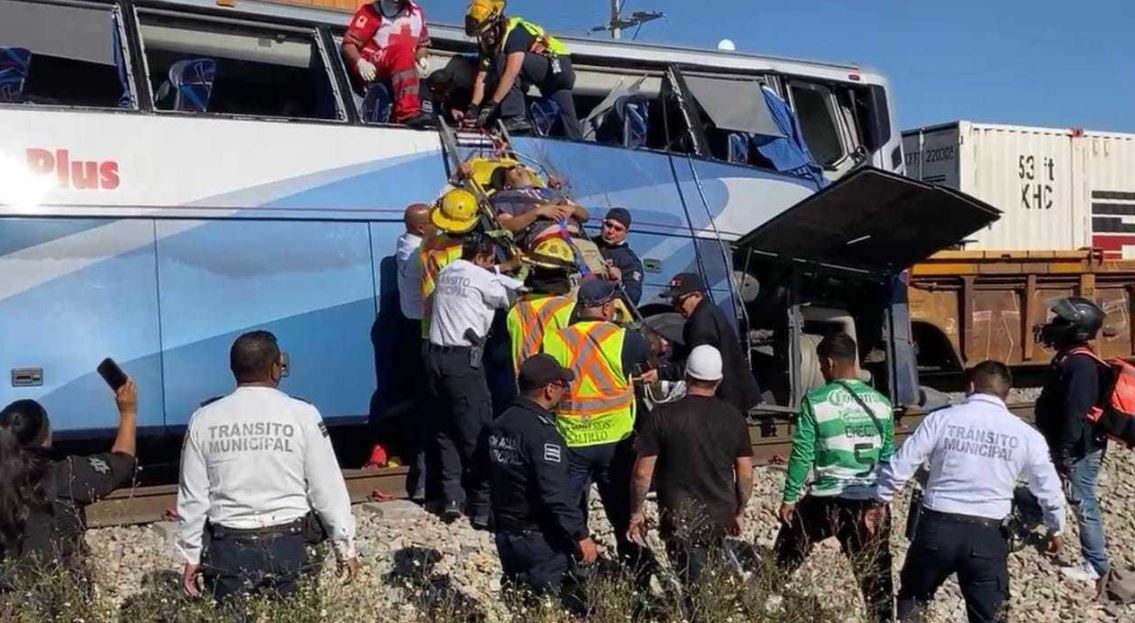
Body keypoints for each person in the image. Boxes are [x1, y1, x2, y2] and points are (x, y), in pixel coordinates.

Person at [866, 360, 1066, 623]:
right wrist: (1056, 528)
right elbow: (1049, 489)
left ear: (971, 386)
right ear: (1006, 394)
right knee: (989, 615)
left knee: (913, 598)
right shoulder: (1026, 435)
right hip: (987, 535)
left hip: (936, 529)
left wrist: (879, 500)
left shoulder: (941, 419)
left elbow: (902, 463)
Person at [176, 331, 359, 603]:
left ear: (233, 369)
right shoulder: (302, 414)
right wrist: (344, 547)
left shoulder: (204, 418)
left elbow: (193, 497)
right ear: (276, 369)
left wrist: (190, 555)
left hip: (228, 547)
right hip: (290, 544)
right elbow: (327, 488)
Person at [542, 279, 659, 581]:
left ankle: (576, 571)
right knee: (623, 512)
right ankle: (641, 574)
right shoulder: (625, 339)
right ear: (608, 307)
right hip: (615, 444)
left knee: (570, 513)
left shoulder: (555, 339)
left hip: (572, 440)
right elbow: (649, 356)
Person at [775, 332, 895, 623]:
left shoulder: (816, 401)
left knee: (786, 552)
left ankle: (765, 593)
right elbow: (889, 457)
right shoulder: (881, 403)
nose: (820, 370)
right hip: (869, 501)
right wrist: (882, 501)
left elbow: (803, 453)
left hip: (827, 500)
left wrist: (789, 497)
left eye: (820, 364)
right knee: (875, 576)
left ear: (829, 363)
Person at [627, 345, 753, 597]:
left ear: (686, 376)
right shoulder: (733, 417)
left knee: (696, 589)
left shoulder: (662, 416)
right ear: (719, 380)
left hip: (679, 517)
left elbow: (642, 473)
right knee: (709, 581)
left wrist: (636, 513)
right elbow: (746, 473)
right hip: (721, 515)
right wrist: (739, 510)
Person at [427, 232, 523, 528]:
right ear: (482, 258)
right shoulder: (483, 279)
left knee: (445, 429)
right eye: (490, 260)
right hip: (463, 362)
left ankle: (452, 498)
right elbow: (511, 299)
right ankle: (483, 506)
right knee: (476, 430)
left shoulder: (447, 271)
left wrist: (499, 269)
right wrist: (513, 277)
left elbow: (478, 277)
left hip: (433, 359)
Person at [0, 382, 138, 587]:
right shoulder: (65, 475)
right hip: (58, 592)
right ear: (45, 438)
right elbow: (122, 463)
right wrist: (128, 413)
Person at [488, 354, 599, 598]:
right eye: (563, 386)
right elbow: (555, 492)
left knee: (522, 601)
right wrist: (580, 535)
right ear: (550, 389)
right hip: (539, 539)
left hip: (506, 535)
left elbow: (484, 477)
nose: (565, 392)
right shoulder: (542, 434)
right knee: (554, 602)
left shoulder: (500, 423)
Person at [1033, 296, 1111, 589]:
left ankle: (1096, 564)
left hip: (1080, 448)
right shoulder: (1070, 357)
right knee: (1050, 487)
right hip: (1069, 444)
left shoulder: (1081, 365)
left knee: (1083, 501)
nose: (1053, 326)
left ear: (1077, 329)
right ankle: (1044, 522)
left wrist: (1065, 451)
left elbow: (1076, 412)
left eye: (1061, 322)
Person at [372, 203, 435, 498]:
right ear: (421, 228)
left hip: (409, 329)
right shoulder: (418, 255)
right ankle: (423, 475)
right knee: (422, 400)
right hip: (418, 332)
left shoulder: (406, 242)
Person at [464, 0, 581, 137]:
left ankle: (515, 117)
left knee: (503, 61)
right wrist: (473, 107)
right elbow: (481, 78)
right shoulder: (487, 45)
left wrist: (492, 104)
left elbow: (511, 73)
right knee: (567, 118)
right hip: (553, 79)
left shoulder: (514, 32)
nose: (485, 37)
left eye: (487, 32)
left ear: (496, 22)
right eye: (481, 35)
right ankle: (579, 145)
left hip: (557, 65)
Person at [662, 272, 761, 415]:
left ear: (697, 295)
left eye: (680, 301)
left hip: (725, 399)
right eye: (673, 302)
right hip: (729, 397)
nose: (676, 307)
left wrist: (660, 373)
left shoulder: (703, 321)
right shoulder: (707, 313)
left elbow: (699, 365)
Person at [342, 0, 432, 126]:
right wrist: (360, 62)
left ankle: (402, 114)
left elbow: (422, 45)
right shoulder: (371, 11)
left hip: (402, 71)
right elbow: (349, 44)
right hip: (374, 66)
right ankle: (407, 112)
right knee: (402, 51)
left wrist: (422, 58)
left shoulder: (417, 12)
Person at [506, 237, 577, 374]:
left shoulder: (516, 307)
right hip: (553, 387)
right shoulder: (568, 309)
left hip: (520, 385)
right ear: (565, 274)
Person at [421, 188, 481, 341]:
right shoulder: (468, 255)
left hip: (430, 328)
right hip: (457, 332)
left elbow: (433, 211)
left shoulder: (427, 243)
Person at [490, 164, 589, 252]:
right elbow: (505, 225)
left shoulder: (549, 192)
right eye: (512, 168)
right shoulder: (505, 196)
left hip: (579, 241)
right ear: (507, 185)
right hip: (548, 243)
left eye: (521, 165)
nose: (519, 167)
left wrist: (573, 209)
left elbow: (585, 216)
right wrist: (538, 212)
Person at [593, 207, 644, 305]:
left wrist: (620, 282)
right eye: (609, 225)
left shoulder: (631, 261)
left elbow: (634, 298)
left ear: (626, 232)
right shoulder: (587, 244)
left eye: (618, 229)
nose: (611, 231)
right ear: (602, 224)